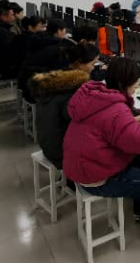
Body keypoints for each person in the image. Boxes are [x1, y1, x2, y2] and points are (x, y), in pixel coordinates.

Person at [63, 58, 140, 253]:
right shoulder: (116, 109)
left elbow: (109, 127)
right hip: (96, 178)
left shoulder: (98, 97)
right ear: (123, 83)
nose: (137, 87)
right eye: (135, 83)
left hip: (80, 166)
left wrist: (134, 120)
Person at [31, 42, 100, 170]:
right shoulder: (74, 90)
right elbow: (84, 120)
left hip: (47, 142)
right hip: (60, 152)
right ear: (79, 64)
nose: (93, 68)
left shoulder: (59, 79)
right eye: (92, 64)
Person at [18, 18, 74, 102]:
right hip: (38, 91)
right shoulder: (56, 49)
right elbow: (59, 72)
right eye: (64, 30)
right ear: (59, 31)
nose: (65, 32)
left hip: (26, 84)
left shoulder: (37, 39)